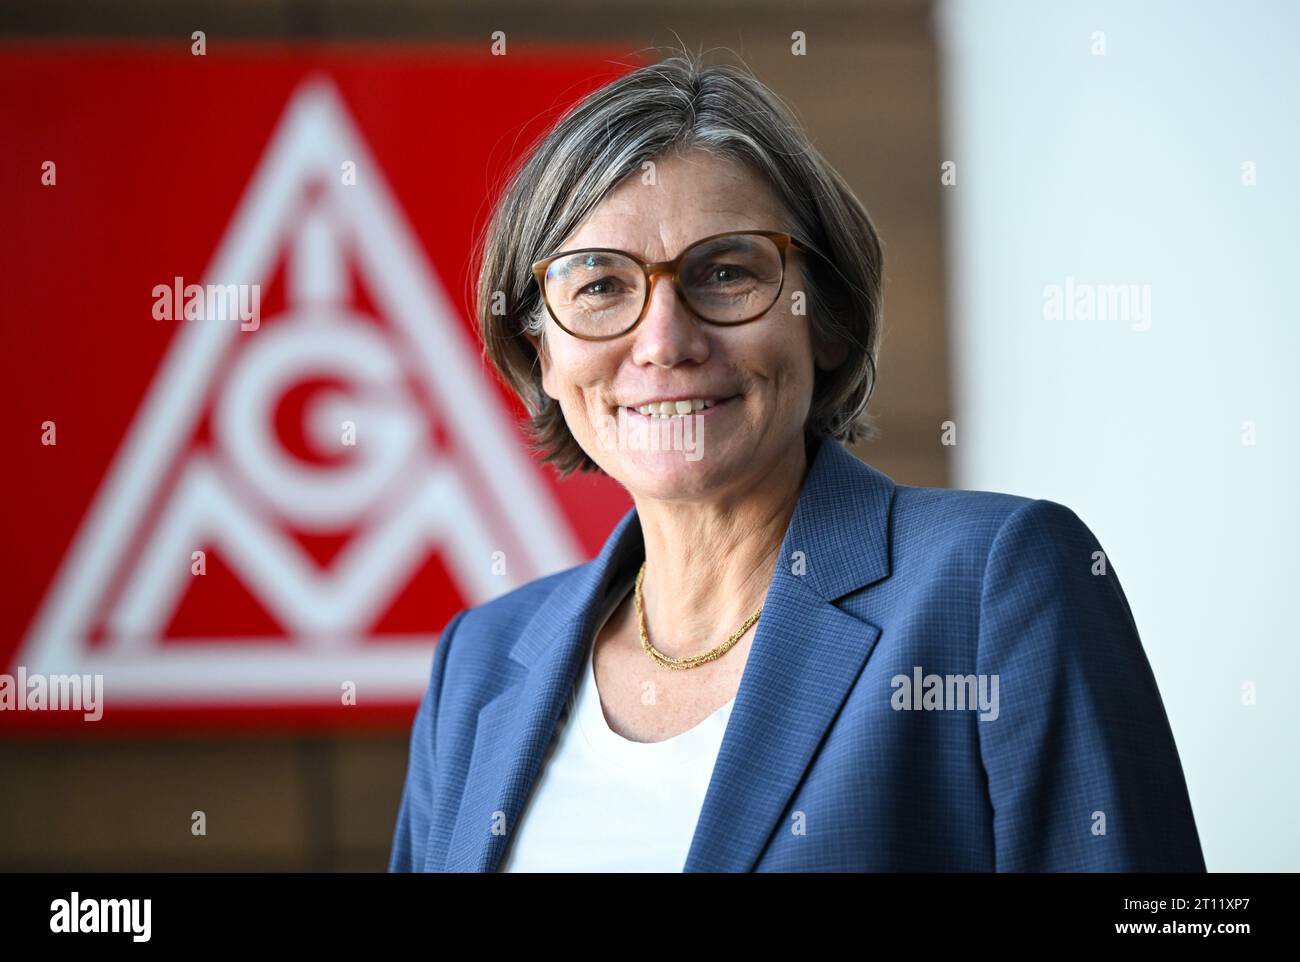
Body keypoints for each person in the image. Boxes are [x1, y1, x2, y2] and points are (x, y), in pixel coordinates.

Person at [389, 51, 1205, 872]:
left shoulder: (998, 585)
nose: (666, 341)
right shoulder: (481, 662)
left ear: (828, 320)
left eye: (728, 272)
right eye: (600, 285)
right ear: (542, 350)